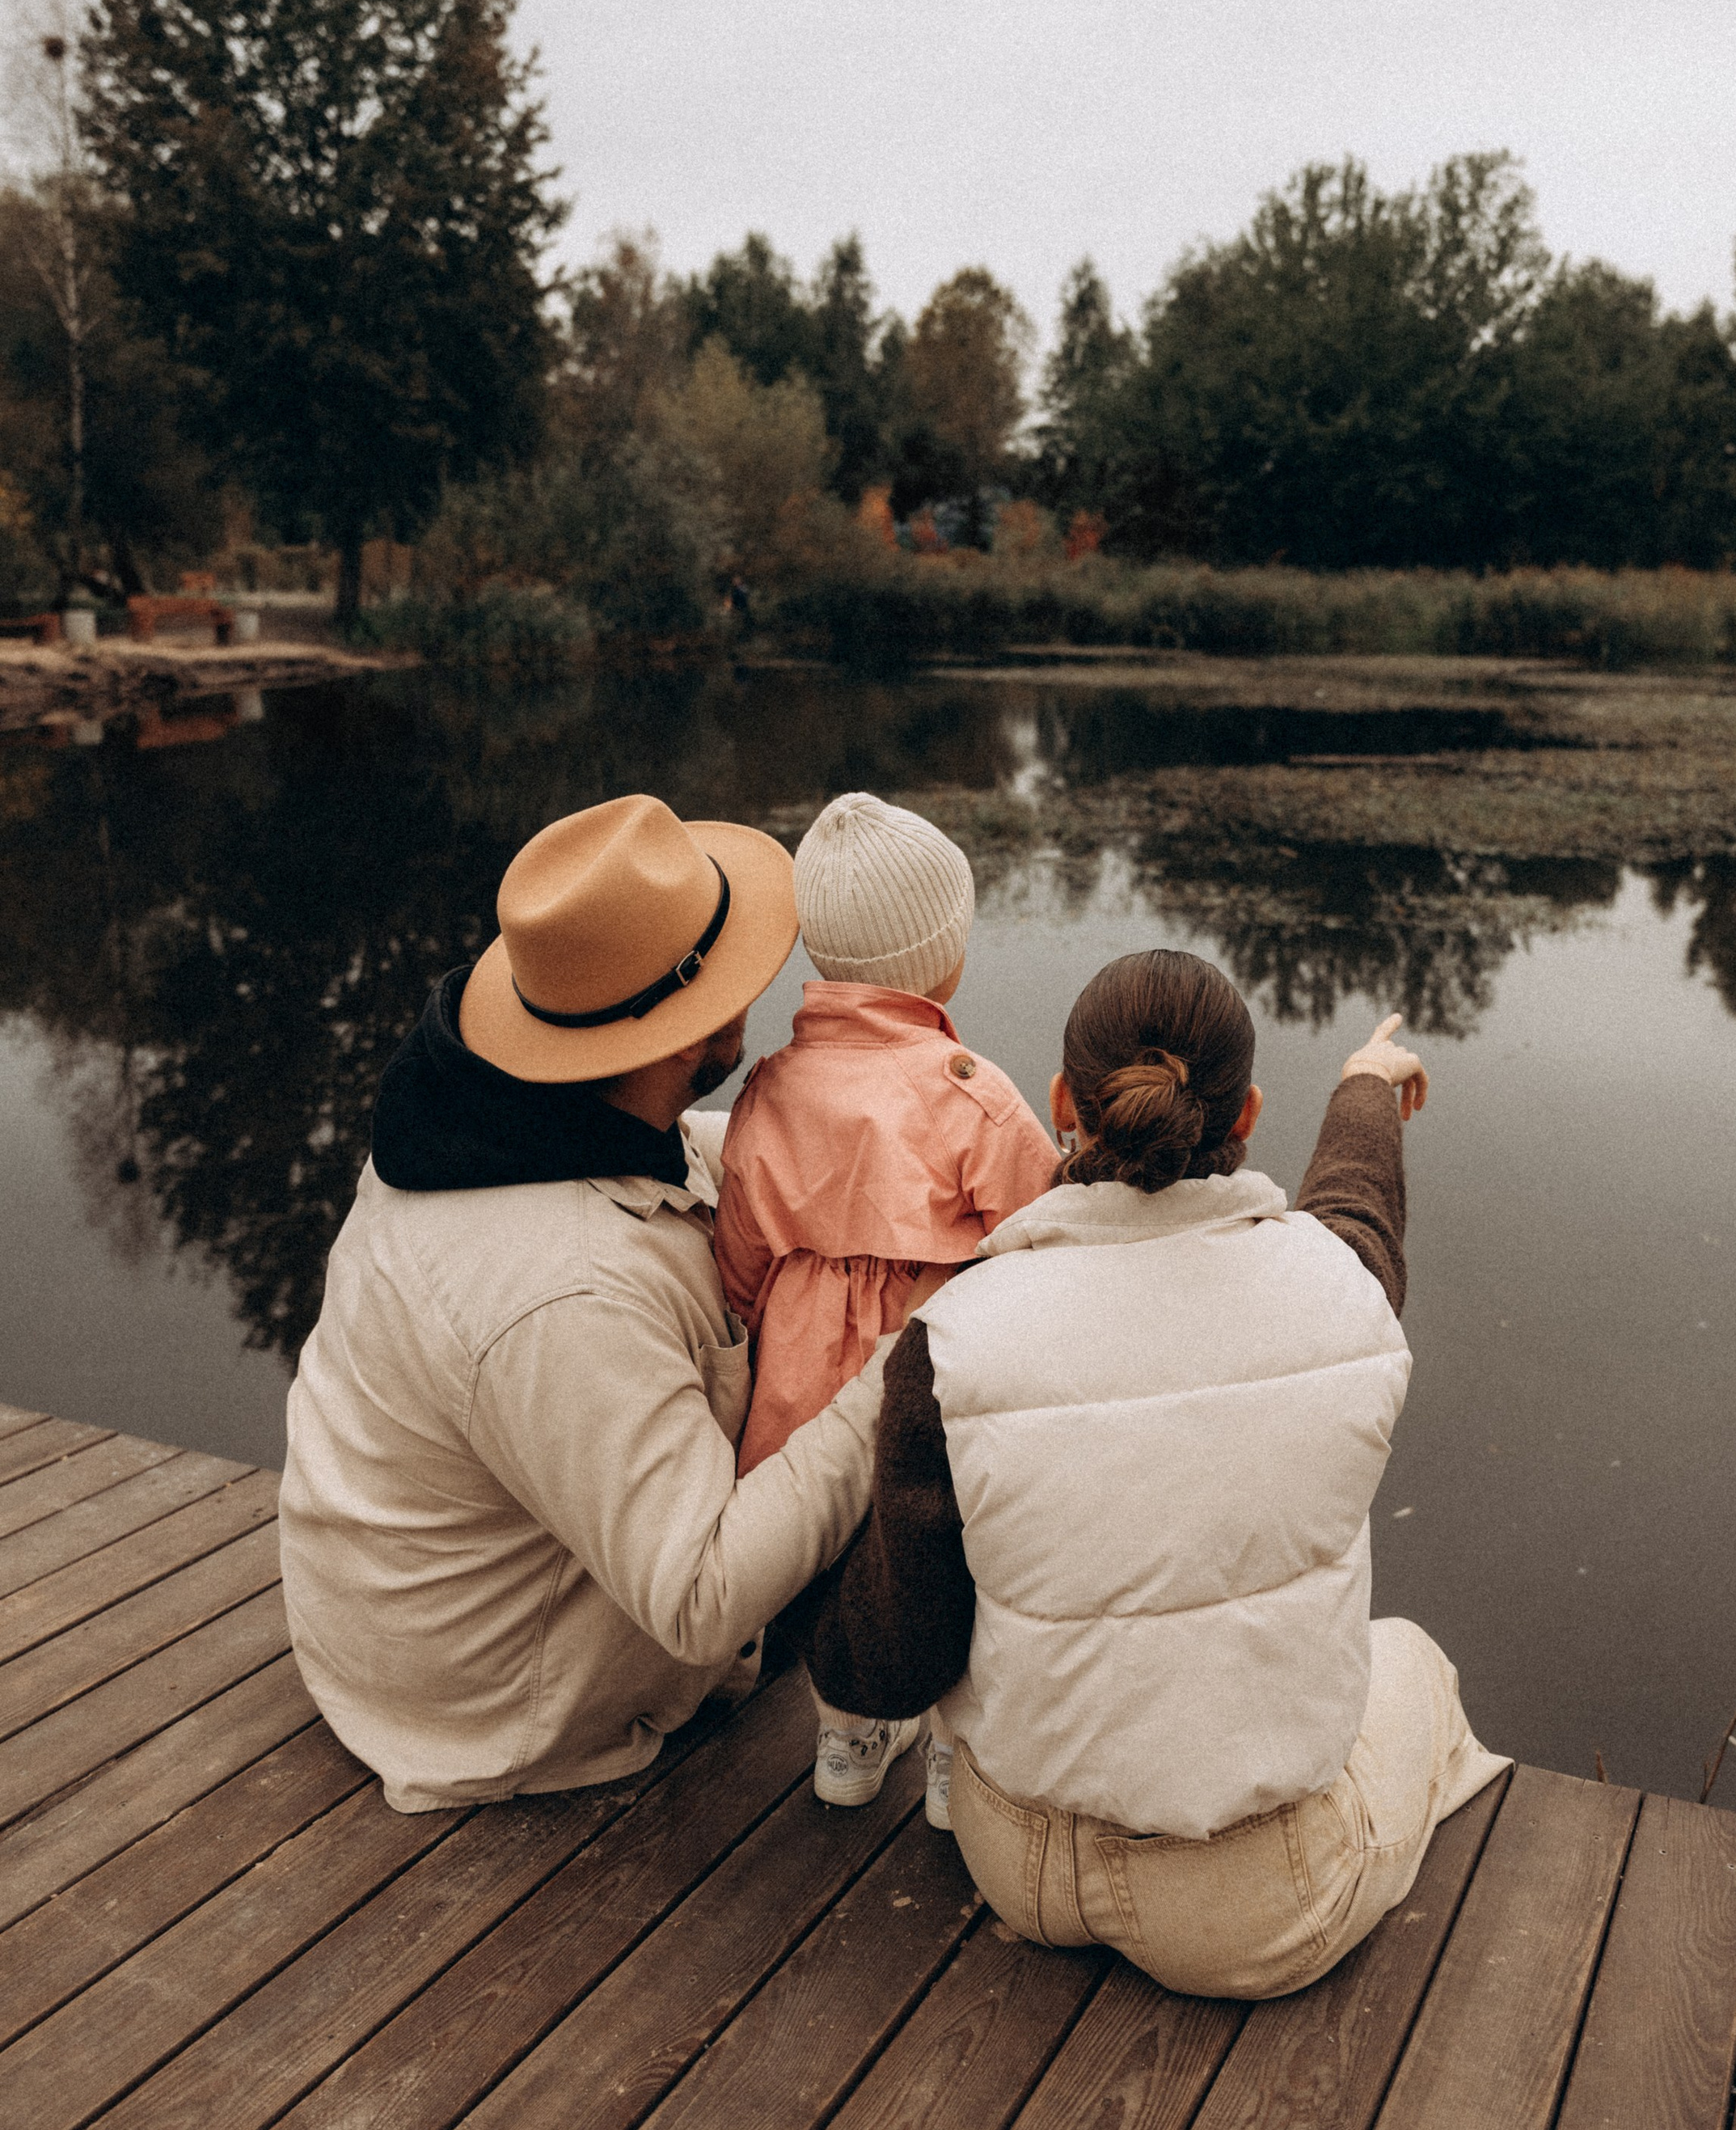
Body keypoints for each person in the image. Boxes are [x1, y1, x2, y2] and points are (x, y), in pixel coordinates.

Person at [806, 947, 1507, 2000]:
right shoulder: (1336, 1290)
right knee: (1413, 1661)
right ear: (1249, 1111)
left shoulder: (951, 1339)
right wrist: (1366, 1082)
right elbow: (1360, 1219)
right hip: (1252, 1912)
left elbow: (893, 1665)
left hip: (1023, 1872)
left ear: (1062, 1105)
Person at [279, 792, 894, 1814]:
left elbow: (660, 1164)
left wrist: (839, 1139)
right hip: (491, 1712)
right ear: (693, 1026)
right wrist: (914, 1354)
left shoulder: (481, 1117)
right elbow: (699, 1600)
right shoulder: (563, 1292)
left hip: (384, 1624)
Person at [716, 792, 1057, 1821]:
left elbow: (738, 1256)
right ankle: (958, 1750)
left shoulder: (770, 1087)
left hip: (800, 1391)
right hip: (931, 1382)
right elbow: (1043, 1239)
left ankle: (848, 1739)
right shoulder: (973, 1093)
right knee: (953, 1557)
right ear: (944, 957)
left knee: (835, 1572)